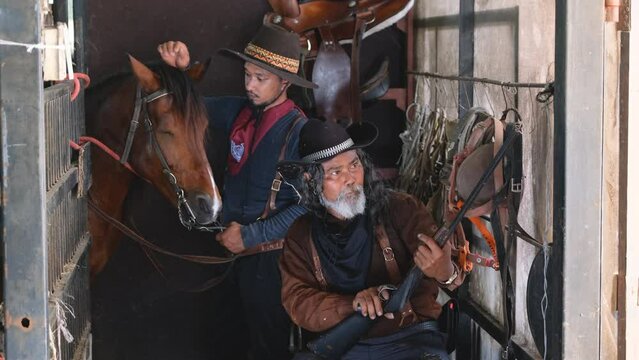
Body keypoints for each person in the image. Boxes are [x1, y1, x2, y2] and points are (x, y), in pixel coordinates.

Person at [158, 24, 317, 360]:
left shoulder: (299, 132)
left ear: (284, 83)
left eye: (261, 79)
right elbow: (187, 105)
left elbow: (307, 207)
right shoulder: (237, 111)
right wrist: (181, 71)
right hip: (229, 255)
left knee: (267, 346)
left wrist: (252, 235)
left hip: (271, 261)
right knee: (226, 339)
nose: (250, 85)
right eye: (247, 75)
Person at [278, 119, 465, 359]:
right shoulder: (300, 235)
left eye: (354, 165)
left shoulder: (401, 209)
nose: (350, 178)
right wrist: (353, 304)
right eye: (336, 172)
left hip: (410, 339)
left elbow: (452, 275)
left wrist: (444, 271)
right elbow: (299, 302)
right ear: (309, 180)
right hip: (343, 349)